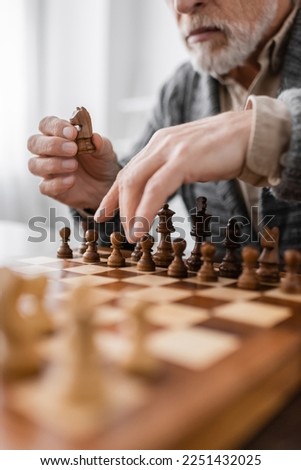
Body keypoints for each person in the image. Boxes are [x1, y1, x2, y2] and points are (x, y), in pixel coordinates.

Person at [27, 0, 301, 259]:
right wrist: (106, 198)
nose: (182, 5)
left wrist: (274, 131)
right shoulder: (181, 90)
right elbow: (124, 240)